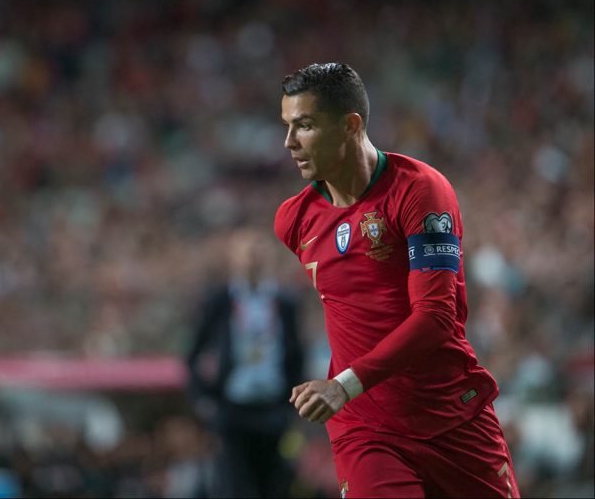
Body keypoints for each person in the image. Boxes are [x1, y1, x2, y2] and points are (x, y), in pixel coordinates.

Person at [274, 63, 520, 498]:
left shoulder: (419, 191)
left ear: (351, 125)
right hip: (366, 429)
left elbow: (436, 318)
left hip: (451, 417)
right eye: (288, 126)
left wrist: (342, 384)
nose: (289, 142)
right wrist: (348, 392)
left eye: (305, 125)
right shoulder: (294, 220)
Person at [186, 227, 304, 498]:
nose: (253, 259)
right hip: (232, 409)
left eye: (258, 252)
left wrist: (293, 403)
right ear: (234, 259)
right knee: (235, 485)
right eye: (247, 253)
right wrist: (203, 399)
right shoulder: (219, 302)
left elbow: (297, 353)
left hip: (273, 408)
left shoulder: (283, 303)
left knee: (274, 484)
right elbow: (193, 354)